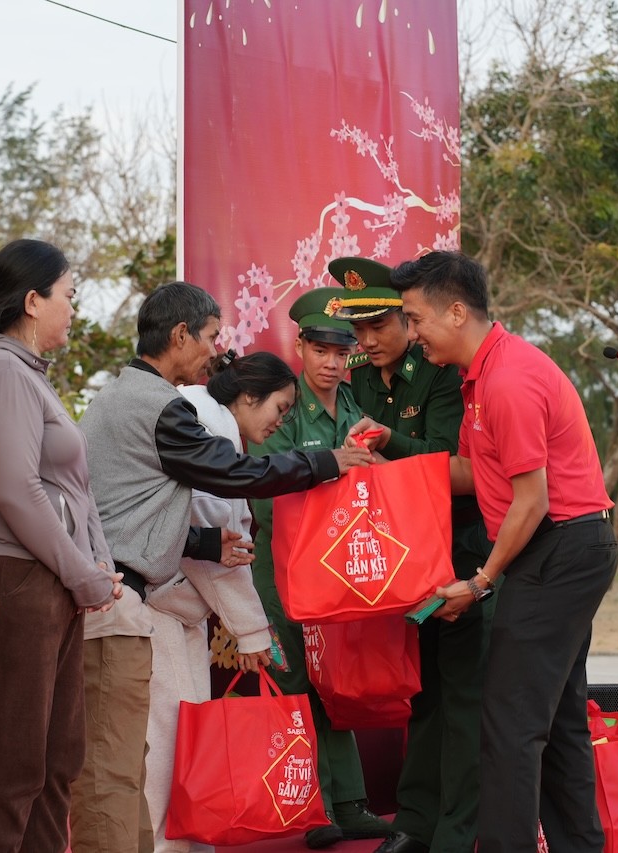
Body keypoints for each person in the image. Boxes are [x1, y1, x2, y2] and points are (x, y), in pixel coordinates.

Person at [73, 281, 369, 853]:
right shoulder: (176, 411)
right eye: (211, 336)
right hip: (137, 602)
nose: (215, 351)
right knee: (158, 747)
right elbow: (235, 477)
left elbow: (139, 510)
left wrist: (206, 544)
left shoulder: (125, 396)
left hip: (126, 593)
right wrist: (328, 462)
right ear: (181, 334)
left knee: (145, 746)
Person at [390, 250, 617, 853]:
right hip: (560, 551)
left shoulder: (509, 379)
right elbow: (470, 472)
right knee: (558, 721)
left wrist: (481, 582)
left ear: (456, 312)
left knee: (510, 723)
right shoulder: (480, 377)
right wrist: (385, 463)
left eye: (415, 319)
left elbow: (532, 500)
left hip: (558, 549)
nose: (412, 335)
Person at [0, 238, 122, 853]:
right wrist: (83, 573)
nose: (74, 308)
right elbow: (17, 491)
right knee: (13, 760)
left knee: (56, 756)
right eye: (69, 295)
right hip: (16, 579)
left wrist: (94, 563)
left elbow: (71, 487)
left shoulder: (25, 373)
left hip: (48, 579)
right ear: (32, 301)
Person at [330, 256, 494, 853]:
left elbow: (450, 458)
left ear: (409, 318)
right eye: (358, 329)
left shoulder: (443, 369)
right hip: (401, 553)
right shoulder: (359, 377)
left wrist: (389, 441)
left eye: (380, 325)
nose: (367, 340)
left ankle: (457, 831)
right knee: (424, 695)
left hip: (462, 548)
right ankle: (414, 824)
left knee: (464, 698)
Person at [250, 287, 392, 850]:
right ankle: (310, 808)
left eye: (341, 352)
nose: (332, 363)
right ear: (301, 348)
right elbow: (263, 490)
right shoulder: (282, 409)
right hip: (284, 572)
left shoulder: (356, 408)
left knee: (335, 685)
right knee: (294, 688)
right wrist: (334, 474)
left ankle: (350, 804)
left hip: (342, 574)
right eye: (320, 350)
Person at [143, 350, 300, 853]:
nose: (280, 422)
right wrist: (252, 633)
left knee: (177, 736)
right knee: (168, 742)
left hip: (165, 604)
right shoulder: (207, 430)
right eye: (279, 408)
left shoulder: (200, 418)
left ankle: (185, 842)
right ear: (249, 397)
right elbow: (215, 549)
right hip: (155, 605)